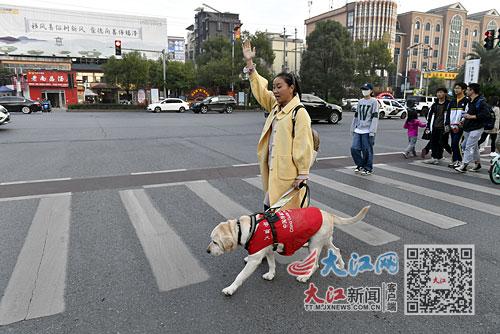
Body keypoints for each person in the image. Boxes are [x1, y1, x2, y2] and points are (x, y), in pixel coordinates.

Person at [242, 39, 314, 210]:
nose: (274, 90)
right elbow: (261, 90)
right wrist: (249, 62)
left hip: (289, 177)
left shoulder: (299, 112)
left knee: (286, 218)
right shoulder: (276, 106)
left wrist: (303, 174)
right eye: (273, 87)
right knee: (273, 213)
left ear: (292, 88)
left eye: (279, 86)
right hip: (274, 173)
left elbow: (303, 145)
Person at [455, 83, 489, 173]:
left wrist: (471, 117)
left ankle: (464, 166)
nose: (466, 91)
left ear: (472, 90)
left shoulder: (481, 101)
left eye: (467, 89)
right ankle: (477, 164)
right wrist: (463, 120)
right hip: (468, 127)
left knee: (468, 146)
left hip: (477, 127)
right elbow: (467, 113)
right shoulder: (470, 101)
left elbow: (485, 115)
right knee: (470, 146)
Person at [350, 83, 379, 176]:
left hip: (368, 130)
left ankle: (368, 168)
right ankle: (360, 164)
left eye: (366, 89)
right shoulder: (360, 101)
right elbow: (356, 115)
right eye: (363, 89)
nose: (364, 91)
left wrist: (372, 131)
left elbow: (375, 117)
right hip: (358, 129)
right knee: (354, 148)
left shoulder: (374, 102)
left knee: (367, 150)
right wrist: (353, 127)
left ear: (371, 91)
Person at [423, 87, 450, 164]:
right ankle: (434, 157)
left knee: (442, 142)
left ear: (445, 93)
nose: (439, 94)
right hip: (434, 126)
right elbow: (429, 116)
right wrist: (428, 126)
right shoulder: (434, 105)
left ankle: (440, 156)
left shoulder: (449, 104)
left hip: (444, 127)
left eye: (441, 92)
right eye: (438, 92)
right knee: (434, 142)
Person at [445, 82, 468, 168]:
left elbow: (466, 114)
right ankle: (454, 160)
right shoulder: (452, 101)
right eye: (455, 88)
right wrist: (447, 124)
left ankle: (460, 161)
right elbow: (448, 114)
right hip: (451, 126)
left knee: (456, 143)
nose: (456, 90)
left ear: (463, 90)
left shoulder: (466, 101)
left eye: (458, 88)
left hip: (460, 127)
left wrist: (460, 124)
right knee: (453, 143)